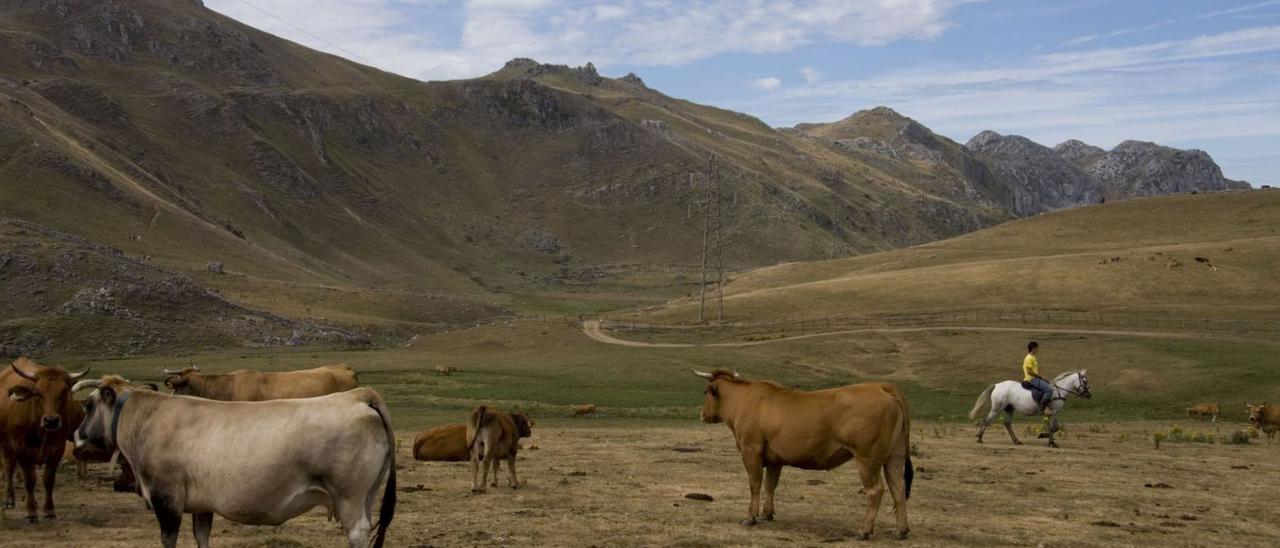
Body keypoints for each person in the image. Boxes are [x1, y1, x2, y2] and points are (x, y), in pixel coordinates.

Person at [1023, 341, 1054, 412]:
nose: (1038, 350)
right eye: (1037, 348)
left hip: (1035, 378)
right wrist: (1041, 377)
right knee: (1049, 390)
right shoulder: (1029, 358)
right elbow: (1029, 372)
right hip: (1031, 379)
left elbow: (1035, 370)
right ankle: (1041, 407)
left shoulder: (1033, 357)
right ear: (1033, 348)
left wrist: (1043, 377)